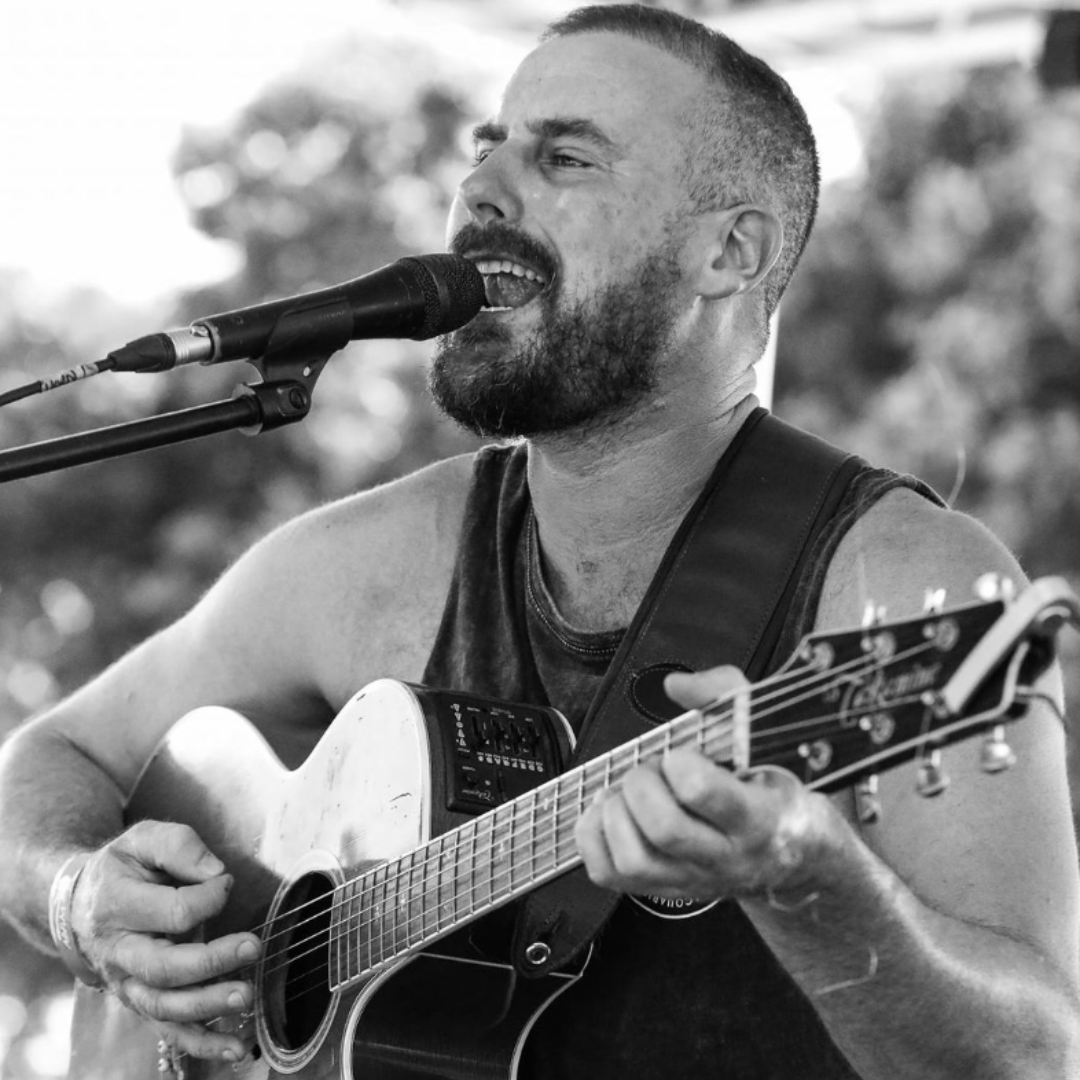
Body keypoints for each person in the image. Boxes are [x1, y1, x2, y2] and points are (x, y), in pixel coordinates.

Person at [1, 4, 1078, 1077]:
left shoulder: (903, 590)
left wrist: (812, 884)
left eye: (564, 157)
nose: (480, 193)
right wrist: (78, 895)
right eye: (488, 151)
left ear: (728, 251)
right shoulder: (378, 564)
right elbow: (45, 762)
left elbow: (1037, 1056)